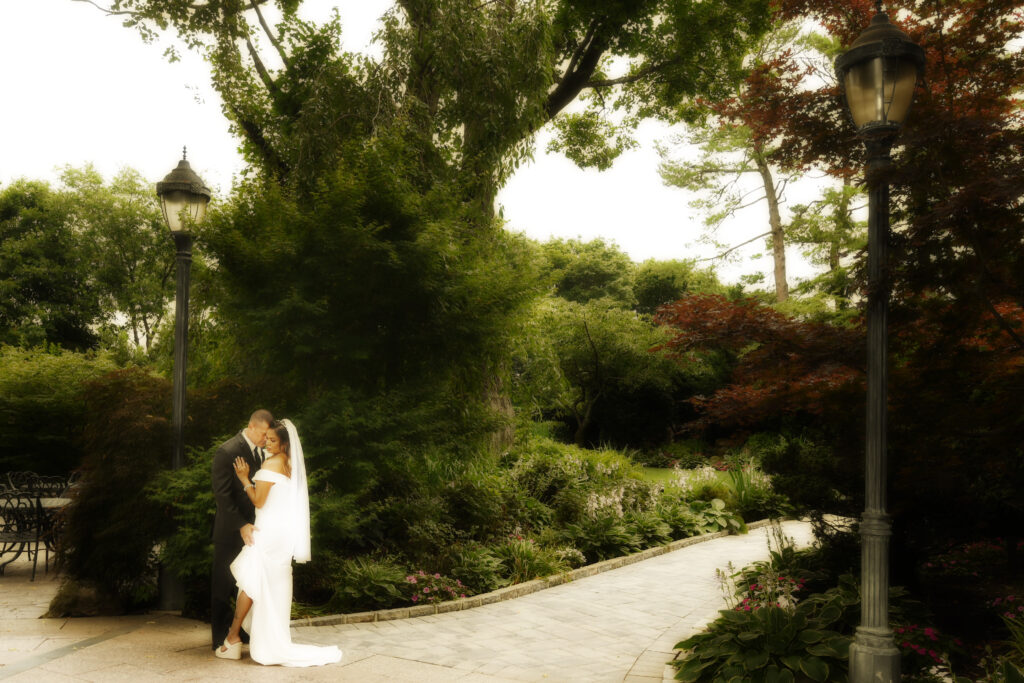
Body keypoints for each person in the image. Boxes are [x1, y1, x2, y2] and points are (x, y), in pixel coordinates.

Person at [215, 419, 342, 666]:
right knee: (264, 583)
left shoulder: (272, 463)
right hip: (281, 535)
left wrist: (244, 479)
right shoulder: (288, 463)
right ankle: (250, 637)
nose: (267, 443)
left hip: (268, 532)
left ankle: (232, 638)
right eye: (267, 439)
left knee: (251, 581)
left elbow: (259, 502)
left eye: (273, 440)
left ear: (284, 443)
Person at [210, 409, 273, 653]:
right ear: (251, 426)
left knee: (248, 583)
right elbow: (223, 496)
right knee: (223, 585)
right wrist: (241, 524)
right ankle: (219, 639)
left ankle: (242, 633)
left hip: (257, 532)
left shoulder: (266, 452)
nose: (266, 440)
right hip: (229, 530)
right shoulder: (227, 451)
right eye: (264, 434)